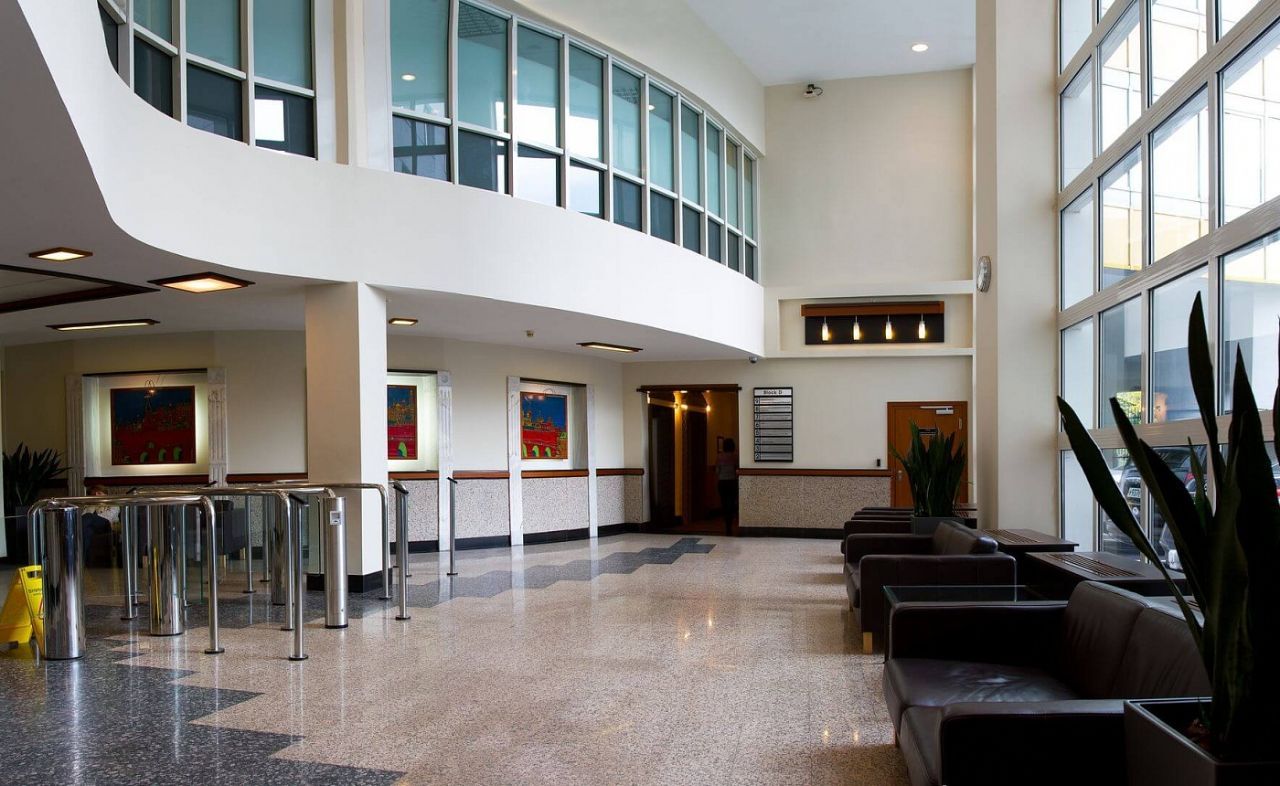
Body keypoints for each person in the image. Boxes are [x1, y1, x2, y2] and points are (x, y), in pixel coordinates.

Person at [716, 438, 738, 535]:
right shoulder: (735, 456)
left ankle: (727, 525)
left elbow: (717, 471)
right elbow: (737, 469)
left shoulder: (719, 457)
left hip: (722, 483)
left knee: (724, 503)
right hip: (732, 482)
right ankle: (730, 523)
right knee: (731, 503)